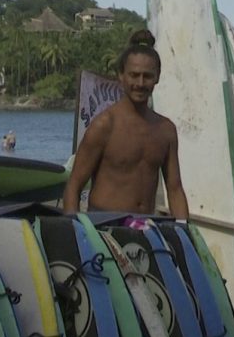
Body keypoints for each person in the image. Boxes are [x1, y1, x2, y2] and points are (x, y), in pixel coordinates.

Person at [63, 29, 189, 219]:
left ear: (157, 77)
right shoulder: (105, 126)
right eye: (134, 75)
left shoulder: (166, 130)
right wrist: (74, 231)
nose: (140, 83)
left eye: (147, 76)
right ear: (121, 75)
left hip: (145, 227)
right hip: (104, 226)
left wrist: (184, 232)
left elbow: (175, 188)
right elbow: (74, 184)